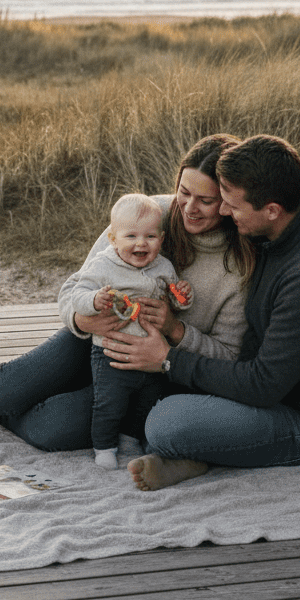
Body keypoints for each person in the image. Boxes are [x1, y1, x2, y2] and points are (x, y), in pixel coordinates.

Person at [0, 134, 253, 451]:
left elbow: (227, 356)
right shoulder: (146, 214)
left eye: (205, 200)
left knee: (51, 428)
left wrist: (175, 331)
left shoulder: (237, 269)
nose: (188, 208)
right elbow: (75, 287)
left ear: (228, 201)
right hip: (93, 342)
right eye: (184, 192)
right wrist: (84, 320)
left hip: (153, 374)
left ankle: (3, 414)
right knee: (8, 388)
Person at [107, 134, 300, 492]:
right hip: (268, 388)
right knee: (150, 403)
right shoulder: (280, 228)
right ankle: (199, 454)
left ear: (271, 209)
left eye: (232, 207)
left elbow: (263, 385)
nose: (222, 211)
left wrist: (169, 360)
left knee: (166, 423)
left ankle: (199, 451)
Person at [61, 192, 192, 469]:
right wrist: (94, 300)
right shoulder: (104, 266)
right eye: (131, 237)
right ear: (113, 239)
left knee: (148, 400)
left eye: (150, 237)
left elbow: (175, 299)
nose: (141, 244)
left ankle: (132, 439)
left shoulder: (163, 267)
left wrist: (182, 296)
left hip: (151, 355)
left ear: (162, 239)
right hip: (112, 352)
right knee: (109, 403)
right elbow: (78, 294)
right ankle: (104, 447)